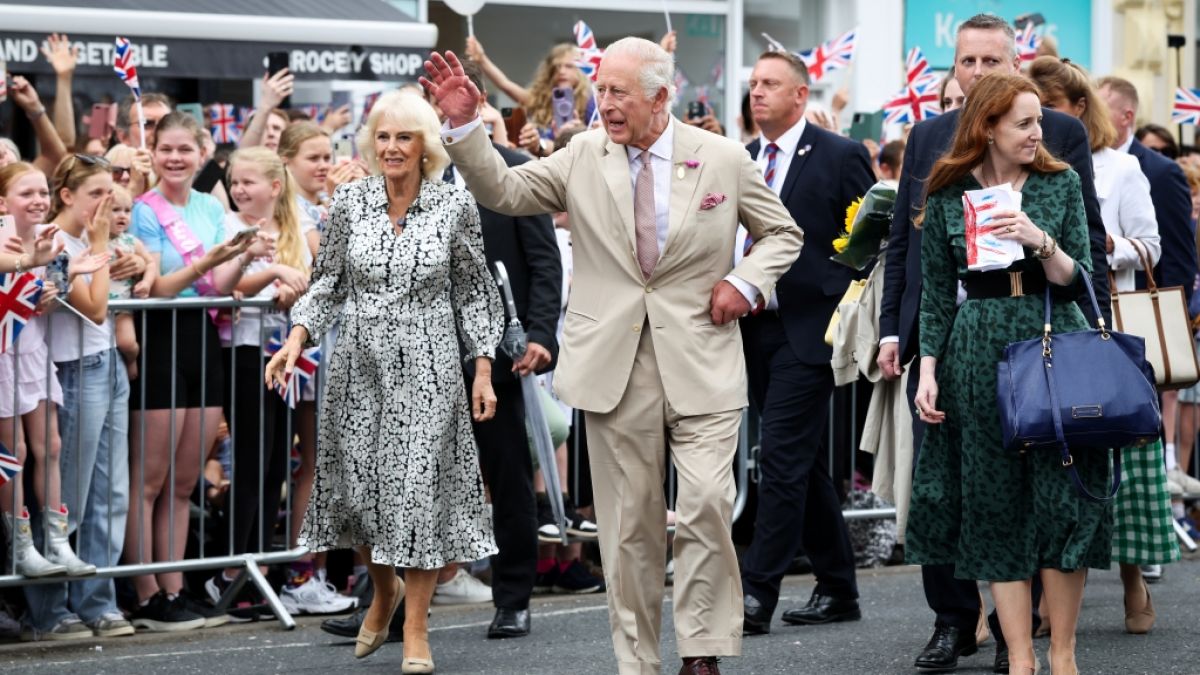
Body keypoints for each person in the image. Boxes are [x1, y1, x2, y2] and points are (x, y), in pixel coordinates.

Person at [422, 37, 803, 675]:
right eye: (601, 90)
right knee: (630, 529)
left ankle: (703, 651)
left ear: (661, 97)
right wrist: (463, 126)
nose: (606, 104)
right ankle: (639, 662)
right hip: (614, 368)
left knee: (708, 503)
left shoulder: (723, 158)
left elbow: (782, 233)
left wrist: (745, 282)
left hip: (703, 357)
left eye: (619, 92)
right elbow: (505, 192)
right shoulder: (580, 154)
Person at [876, 14, 1110, 674]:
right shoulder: (949, 192)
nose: (1039, 133)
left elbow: (1079, 278)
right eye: (1025, 124)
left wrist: (1040, 239)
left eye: (1039, 121)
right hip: (975, 351)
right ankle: (1019, 656)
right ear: (988, 128)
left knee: (1062, 503)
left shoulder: (1059, 181)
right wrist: (926, 368)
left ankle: (1061, 652)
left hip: (1049, 342)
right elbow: (934, 284)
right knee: (994, 507)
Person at [265, 90, 503, 673]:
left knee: (416, 491)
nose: (392, 147)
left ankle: (416, 627)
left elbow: (474, 293)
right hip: (357, 365)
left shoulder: (454, 207)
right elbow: (327, 284)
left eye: (405, 137)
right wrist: (296, 339)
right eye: (383, 137)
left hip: (429, 364)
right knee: (361, 495)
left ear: (426, 147)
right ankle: (384, 588)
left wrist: (484, 369)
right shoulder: (350, 202)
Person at [1029, 55, 1177, 637]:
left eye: (1048, 110)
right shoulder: (1022, 167)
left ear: (1077, 109)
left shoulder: (1121, 168)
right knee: (1053, 455)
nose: (1037, 122)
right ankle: (1045, 594)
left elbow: (1151, 246)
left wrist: (1105, 243)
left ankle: (1133, 574)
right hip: (1043, 327)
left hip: (1107, 325)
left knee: (1122, 457)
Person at [736, 49, 875, 638]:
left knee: (783, 459)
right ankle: (839, 587)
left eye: (770, 83)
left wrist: (838, 295)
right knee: (806, 461)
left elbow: (873, 233)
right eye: (753, 83)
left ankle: (754, 594)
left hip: (810, 330)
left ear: (800, 95)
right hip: (752, 327)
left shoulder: (839, 154)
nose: (757, 92)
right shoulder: (740, 159)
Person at [426, 60, 563, 635]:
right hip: (425, 356)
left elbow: (543, 262)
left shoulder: (515, 170)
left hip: (499, 358)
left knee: (507, 477)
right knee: (410, 479)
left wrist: (539, 335)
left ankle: (513, 598)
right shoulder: (412, 181)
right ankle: (381, 601)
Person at [124, 112, 260, 632]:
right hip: (161, 335)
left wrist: (245, 257)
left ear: (203, 153)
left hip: (201, 338)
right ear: (153, 153)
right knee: (150, 479)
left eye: (185, 149)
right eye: (166, 149)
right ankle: (146, 591)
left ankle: (176, 588)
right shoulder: (143, 211)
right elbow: (160, 288)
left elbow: (223, 285)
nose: (175, 158)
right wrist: (212, 265)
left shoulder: (210, 206)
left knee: (183, 481)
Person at [24, 154, 137, 641]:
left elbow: (114, 302)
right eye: (96, 194)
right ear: (67, 195)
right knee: (66, 492)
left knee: (110, 493)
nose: (106, 205)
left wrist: (127, 263)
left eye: (110, 195)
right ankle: (50, 610)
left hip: (107, 361)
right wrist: (100, 248)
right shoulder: (55, 240)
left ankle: (97, 600)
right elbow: (92, 309)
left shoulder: (100, 240)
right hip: (70, 367)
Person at [1099, 77, 1200, 528]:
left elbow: (1177, 256)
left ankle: (1149, 536)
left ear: (1125, 117)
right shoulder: (1080, 164)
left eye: (1100, 110)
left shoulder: (1159, 171)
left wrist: (1173, 325)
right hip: (1096, 319)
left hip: (1142, 318)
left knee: (1144, 428)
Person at [0, 162, 96, 598]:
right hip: (3, 354)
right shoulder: (4, 236)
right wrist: (28, 261)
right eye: (27, 194)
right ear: (4, 202)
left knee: (51, 446)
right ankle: (21, 545)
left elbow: (50, 299)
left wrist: (53, 293)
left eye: (42, 192)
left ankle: (57, 541)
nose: (38, 200)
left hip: (34, 351)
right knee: (13, 452)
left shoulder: (53, 237)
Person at [464, 38, 593, 158]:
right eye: (556, 67)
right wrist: (481, 59)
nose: (561, 71)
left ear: (583, 70)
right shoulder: (540, 100)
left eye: (569, 66)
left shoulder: (592, 102)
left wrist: (579, 130)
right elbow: (506, 85)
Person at [103, 185, 155, 380]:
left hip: (121, 306)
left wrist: (147, 283)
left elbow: (150, 263)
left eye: (127, 210)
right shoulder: (88, 238)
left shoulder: (131, 241)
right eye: (115, 210)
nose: (122, 216)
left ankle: (132, 360)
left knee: (127, 342)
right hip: (95, 305)